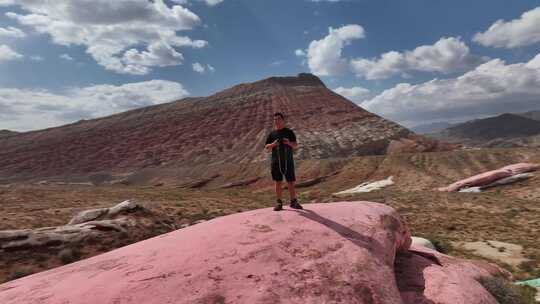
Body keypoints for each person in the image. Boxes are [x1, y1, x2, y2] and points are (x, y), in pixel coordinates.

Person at [264, 112, 303, 211]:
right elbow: (267, 147)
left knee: (290, 181)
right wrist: (273, 144)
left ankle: (293, 201)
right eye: (275, 119)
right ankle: (279, 202)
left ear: (283, 120)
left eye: (278, 119)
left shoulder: (289, 132)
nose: (276, 121)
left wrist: (288, 143)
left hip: (288, 161)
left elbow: (295, 145)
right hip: (276, 161)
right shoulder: (272, 134)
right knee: (278, 182)